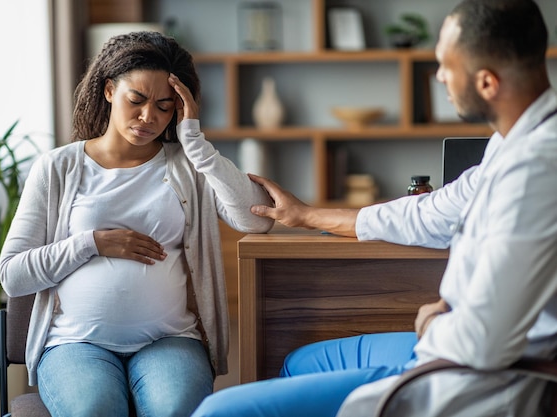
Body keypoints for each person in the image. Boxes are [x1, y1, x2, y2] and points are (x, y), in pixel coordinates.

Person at [191, 0, 557, 416]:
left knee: (217, 412)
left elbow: (484, 343)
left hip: (470, 379)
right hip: (451, 347)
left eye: (445, 65)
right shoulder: (513, 144)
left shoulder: (537, 172)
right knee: (298, 362)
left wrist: (434, 321)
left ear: (487, 83)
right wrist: (307, 215)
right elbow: (429, 212)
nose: (438, 77)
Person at [0, 31, 274, 417]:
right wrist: (91, 243)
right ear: (109, 90)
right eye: (137, 100)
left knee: (175, 408)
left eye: (165, 107)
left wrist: (195, 144)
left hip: (170, 339)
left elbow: (255, 219)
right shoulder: (58, 168)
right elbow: (13, 275)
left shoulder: (187, 167)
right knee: (95, 409)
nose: (149, 117)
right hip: (75, 343)